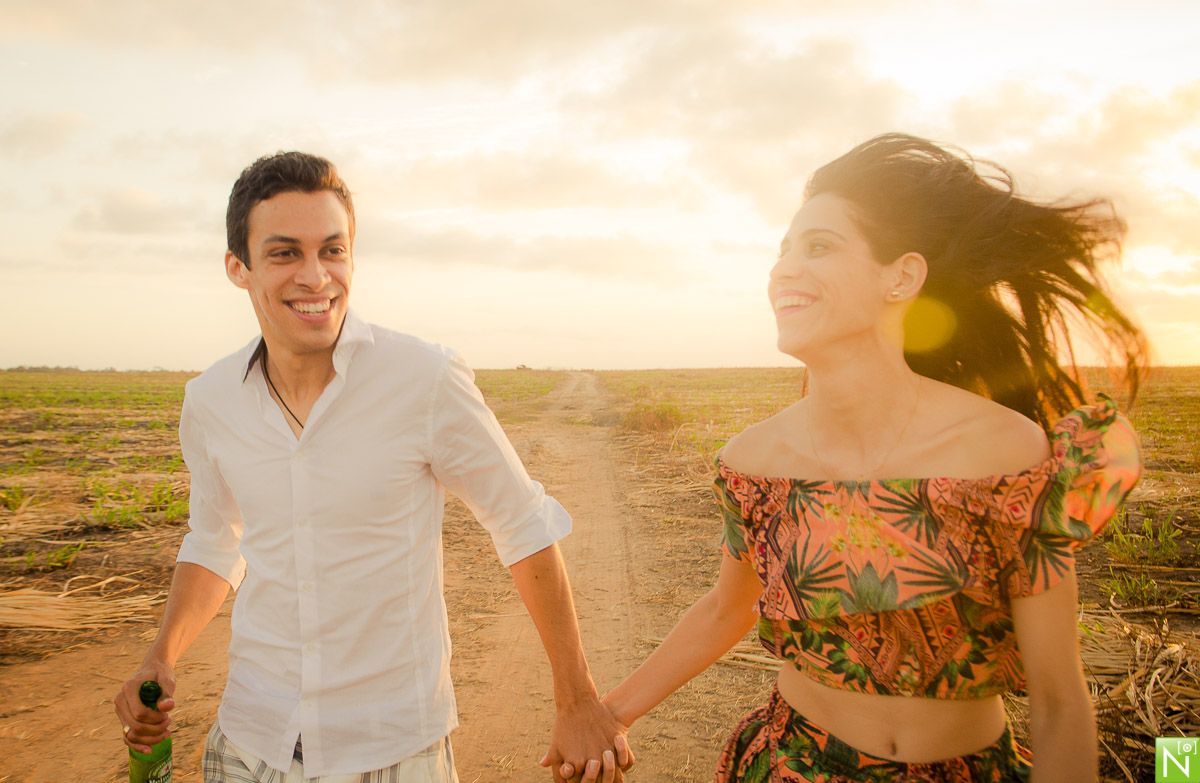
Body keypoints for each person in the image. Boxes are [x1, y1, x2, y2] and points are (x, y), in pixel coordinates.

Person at [583, 134, 1146, 782]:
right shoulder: (754, 464)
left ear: (901, 276)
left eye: (818, 246)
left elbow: (1058, 702)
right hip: (794, 766)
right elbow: (723, 610)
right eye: (783, 251)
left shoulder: (1005, 455)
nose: (783, 270)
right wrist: (607, 715)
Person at [112, 151, 631, 783]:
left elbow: (522, 525)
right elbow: (215, 540)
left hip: (391, 750)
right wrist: (161, 655)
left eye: (332, 250)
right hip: (250, 740)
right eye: (285, 253)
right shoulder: (211, 400)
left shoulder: (424, 378)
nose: (316, 277)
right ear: (238, 268)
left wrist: (576, 698)